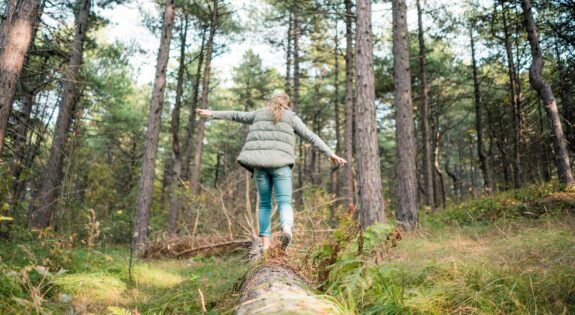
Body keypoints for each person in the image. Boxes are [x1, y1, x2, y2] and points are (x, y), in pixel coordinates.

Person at [196, 92, 346, 251]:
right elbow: (311, 136)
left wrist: (212, 113)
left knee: (265, 205)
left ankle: (265, 245)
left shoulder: (258, 114)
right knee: (285, 202)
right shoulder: (292, 118)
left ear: (271, 102)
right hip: (281, 166)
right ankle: (287, 227)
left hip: (260, 166)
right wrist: (331, 154)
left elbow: (235, 115)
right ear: (287, 104)